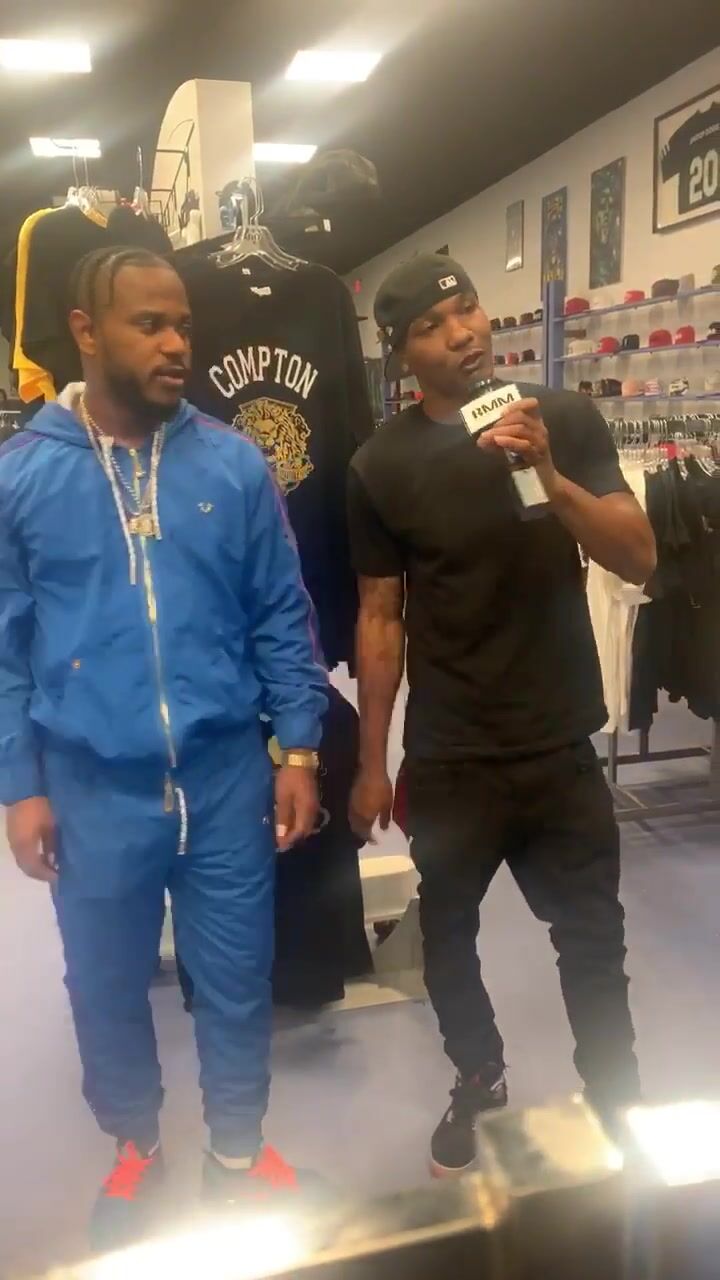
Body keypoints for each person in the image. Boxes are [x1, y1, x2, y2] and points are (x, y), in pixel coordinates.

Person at [0, 246, 328, 1249]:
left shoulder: (232, 463)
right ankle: (135, 1143)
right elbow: (5, 645)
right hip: (91, 783)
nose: (177, 343)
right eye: (148, 324)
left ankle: (237, 1150)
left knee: (237, 975)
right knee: (104, 981)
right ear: (86, 331)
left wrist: (300, 748)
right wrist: (19, 783)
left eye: (182, 322)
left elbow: (281, 613)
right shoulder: (23, 477)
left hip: (225, 773)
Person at [347, 254, 656, 1177]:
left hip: (560, 740)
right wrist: (371, 760)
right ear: (403, 352)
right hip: (452, 753)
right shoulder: (380, 465)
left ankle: (616, 1100)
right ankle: (477, 1074)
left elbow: (637, 556)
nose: (464, 333)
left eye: (470, 309)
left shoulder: (561, 419)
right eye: (434, 326)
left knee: (593, 938)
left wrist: (549, 475)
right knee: (448, 936)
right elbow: (379, 617)